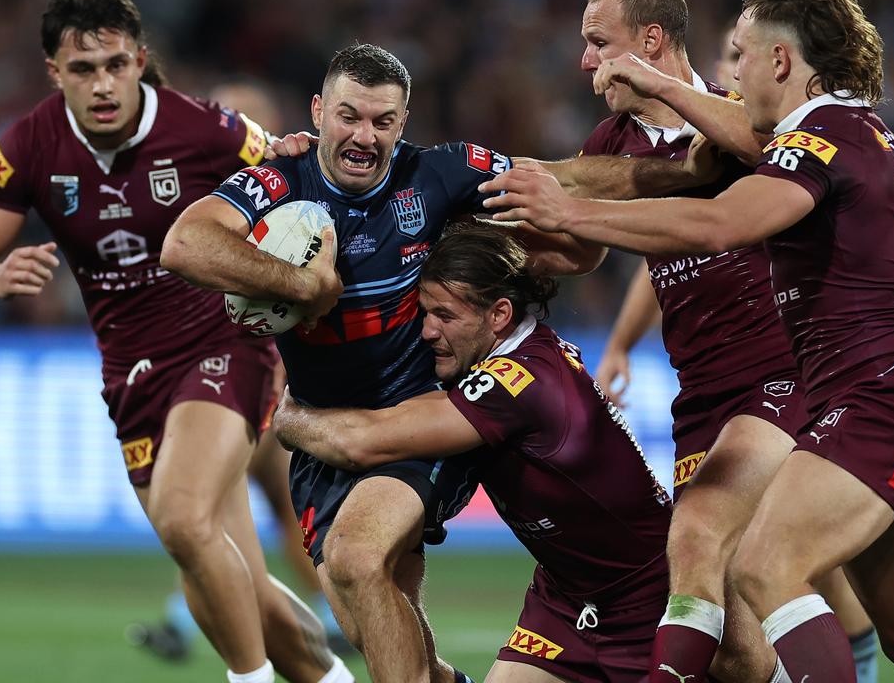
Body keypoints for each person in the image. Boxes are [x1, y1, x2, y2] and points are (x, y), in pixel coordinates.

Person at [483, 0, 894, 683]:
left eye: (741, 54)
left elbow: (717, 225)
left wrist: (568, 211)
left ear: (781, 62)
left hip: (871, 401)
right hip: (874, 399)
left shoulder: (823, 137)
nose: (732, 70)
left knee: (762, 565)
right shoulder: (860, 134)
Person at [162, 41, 716, 682]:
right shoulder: (278, 182)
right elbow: (186, 243)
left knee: (356, 556)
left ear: (404, 123)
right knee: (375, 622)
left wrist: (685, 173)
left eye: (382, 122)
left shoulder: (437, 175)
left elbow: (564, 175)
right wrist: (306, 286)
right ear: (317, 112)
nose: (363, 136)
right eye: (348, 116)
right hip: (324, 437)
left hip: (414, 420)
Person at [0, 0, 348, 683]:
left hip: (225, 345)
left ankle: (248, 681)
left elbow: (307, 191)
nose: (102, 84)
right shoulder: (31, 145)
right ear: (53, 73)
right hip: (132, 377)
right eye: (84, 69)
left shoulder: (204, 129)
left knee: (185, 522)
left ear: (140, 60)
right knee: (230, 574)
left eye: (116, 64)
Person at [576, 0, 876, 682]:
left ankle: (852, 656)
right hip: (702, 396)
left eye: (598, 43)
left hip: (779, 372)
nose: (587, 63)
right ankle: (845, 654)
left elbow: (727, 213)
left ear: (650, 40)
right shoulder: (609, 139)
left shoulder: (742, 119)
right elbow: (648, 245)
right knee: (737, 643)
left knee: (707, 536)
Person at [272, 226, 673, 683]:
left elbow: (364, 442)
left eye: (444, 315)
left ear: (499, 313)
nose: (427, 331)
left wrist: (290, 421)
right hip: (564, 597)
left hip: (645, 602)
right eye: (424, 313)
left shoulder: (519, 382)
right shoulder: (510, 356)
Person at [129, 79, 351, 663]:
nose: (230, 126)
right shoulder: (207, 204)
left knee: (223, 508)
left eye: (243, 117)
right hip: (214, 376)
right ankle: (312, 618)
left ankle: (206, 621)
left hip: (255, 376)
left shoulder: (293, 196)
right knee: (220, 509)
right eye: (225, 114)